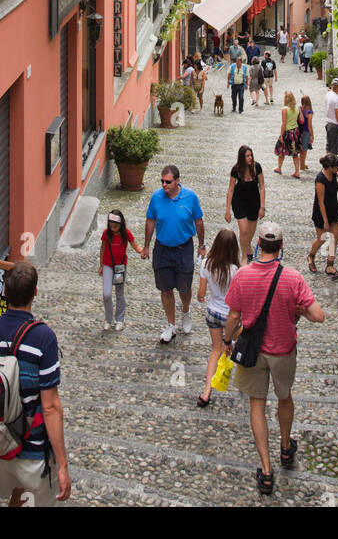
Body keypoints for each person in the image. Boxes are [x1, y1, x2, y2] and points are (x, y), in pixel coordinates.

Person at [222, 222, 324, 496]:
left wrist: (227, 341)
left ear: (258, 244)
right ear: (281, 247)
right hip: (283, 351)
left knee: (257, 404)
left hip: (253, 351)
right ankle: (285, 447)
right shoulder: (292, 278)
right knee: (284, 397)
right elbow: (318, 315)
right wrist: (298, 310)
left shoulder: (243, 276)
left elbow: (232, 317)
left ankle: (266, 471)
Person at [0, 259, 71, 506]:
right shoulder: (42, 337)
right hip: (31, 446)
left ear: (4, 292)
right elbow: (50, 406)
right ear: (35, 293)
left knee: (17, 496)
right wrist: (62, 463)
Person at [142, 165, 205, 343]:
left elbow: (198, 221)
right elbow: (150, 221)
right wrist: (146, 246)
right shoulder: (156, 197)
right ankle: (171, 325)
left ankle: (185, 311)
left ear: (177, 181)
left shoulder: (190, 197)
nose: (164, 185)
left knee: (184, 287)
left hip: (183, 249)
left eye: (167, 182)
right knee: (165, 288)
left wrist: (201, 245)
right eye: (162, 181)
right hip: (162, 249)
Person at [196, 229, 241, 406]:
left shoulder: (207, 264)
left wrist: (202, 297)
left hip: (213, 313)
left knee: (215, 350)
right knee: (235, 347)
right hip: (230, 316)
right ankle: (245, 383)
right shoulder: (236, 270)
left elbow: (201, 293)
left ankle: (207, 391)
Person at [99, 209, 144, 331]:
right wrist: (101, 265)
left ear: (121, 224)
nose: (113, 228)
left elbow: (135, 245)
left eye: (115, 226)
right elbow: (102, 249)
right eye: (111, 226)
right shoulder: (106, 234)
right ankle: (108, 319)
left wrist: (142, 251)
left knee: (120, 294)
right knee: (106, 294)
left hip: (120, 267)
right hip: (108, 265)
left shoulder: (126, 234)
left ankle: (119, 319)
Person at [225, 144, 266, 263]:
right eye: (247, 156)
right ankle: (244, 256)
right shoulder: (236, 170)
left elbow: (262, 187)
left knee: (249, 233)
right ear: (241, 158)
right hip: (239, 201)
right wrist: (227, 210)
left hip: (254, 202)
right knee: (243, 231)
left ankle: (248, 250)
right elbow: (230, 189)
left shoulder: (257, 167)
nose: (250, 158)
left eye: (251, 155)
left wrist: (262, 207)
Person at [308, 155, 338, 277]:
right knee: (321, 239)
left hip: (334, 210)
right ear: (329, 167)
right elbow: (320, 201)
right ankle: (311, 256)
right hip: (321, 213)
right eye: (337, 167)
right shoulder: (320, 179)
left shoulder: (334, 174)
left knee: (335, 237)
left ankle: (330, 265)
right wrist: (325, 221)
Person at [273, 91, 301, 177]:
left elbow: (284, 123)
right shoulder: (297, 108)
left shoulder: (284, 109)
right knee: (295, 153)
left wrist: (281, 135)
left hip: (287, 132)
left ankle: (279, 167)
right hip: (295, 132)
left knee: (281, 150)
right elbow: (299, 119)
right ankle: (297, 172)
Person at [324, 79, 338, 157]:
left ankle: (327, 165)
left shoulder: (328, 94)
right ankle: (332, 167)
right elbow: (337, 115)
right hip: (335, 125)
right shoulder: (337, 99)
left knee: (329, 146)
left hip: (328, 123)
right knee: (334, 149)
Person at [297, 94, 315, 172]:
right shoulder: (309, 112)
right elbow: (310, 126)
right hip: (306, 132)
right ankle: (302, 165)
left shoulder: (300, 109)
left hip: (299, 131)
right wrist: (312, 135)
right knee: (304, 150)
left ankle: (302, 163)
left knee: (301, 148)